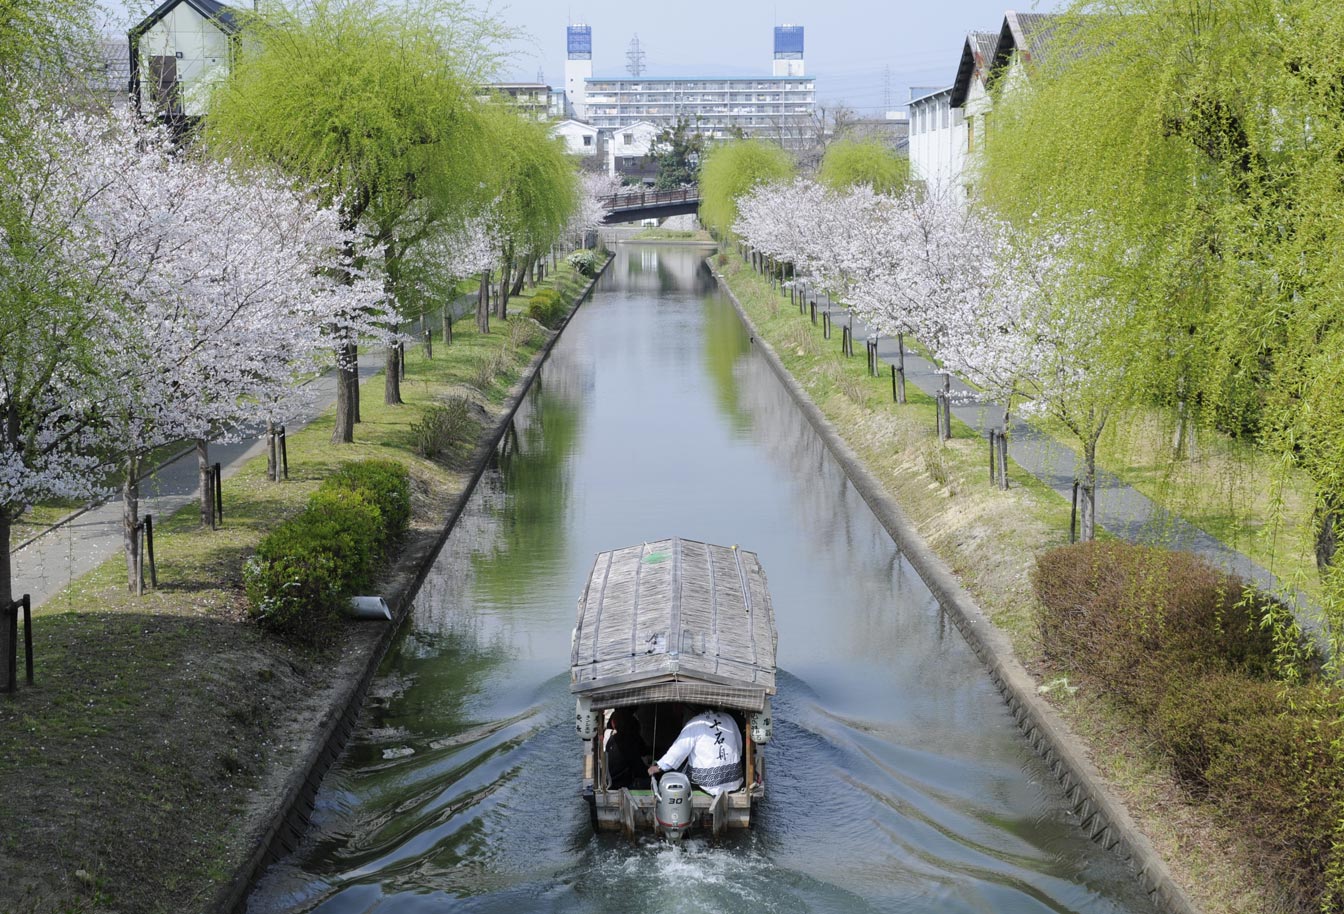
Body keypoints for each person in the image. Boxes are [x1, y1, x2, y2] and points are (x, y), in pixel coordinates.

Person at [646, 706, 743, 796]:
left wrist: (659, 767)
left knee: (679, 771)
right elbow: (739, 747)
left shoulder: (695, 723)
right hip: (734, 781)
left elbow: (678, 751)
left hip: (709, 785)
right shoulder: (728, 718)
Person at [605, 707, 651, 790]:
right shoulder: (628, 743)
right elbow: (640, 770)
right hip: (622, 784)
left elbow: (643, 751)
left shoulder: (612, 739)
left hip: (613, 780)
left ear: (613, 724)